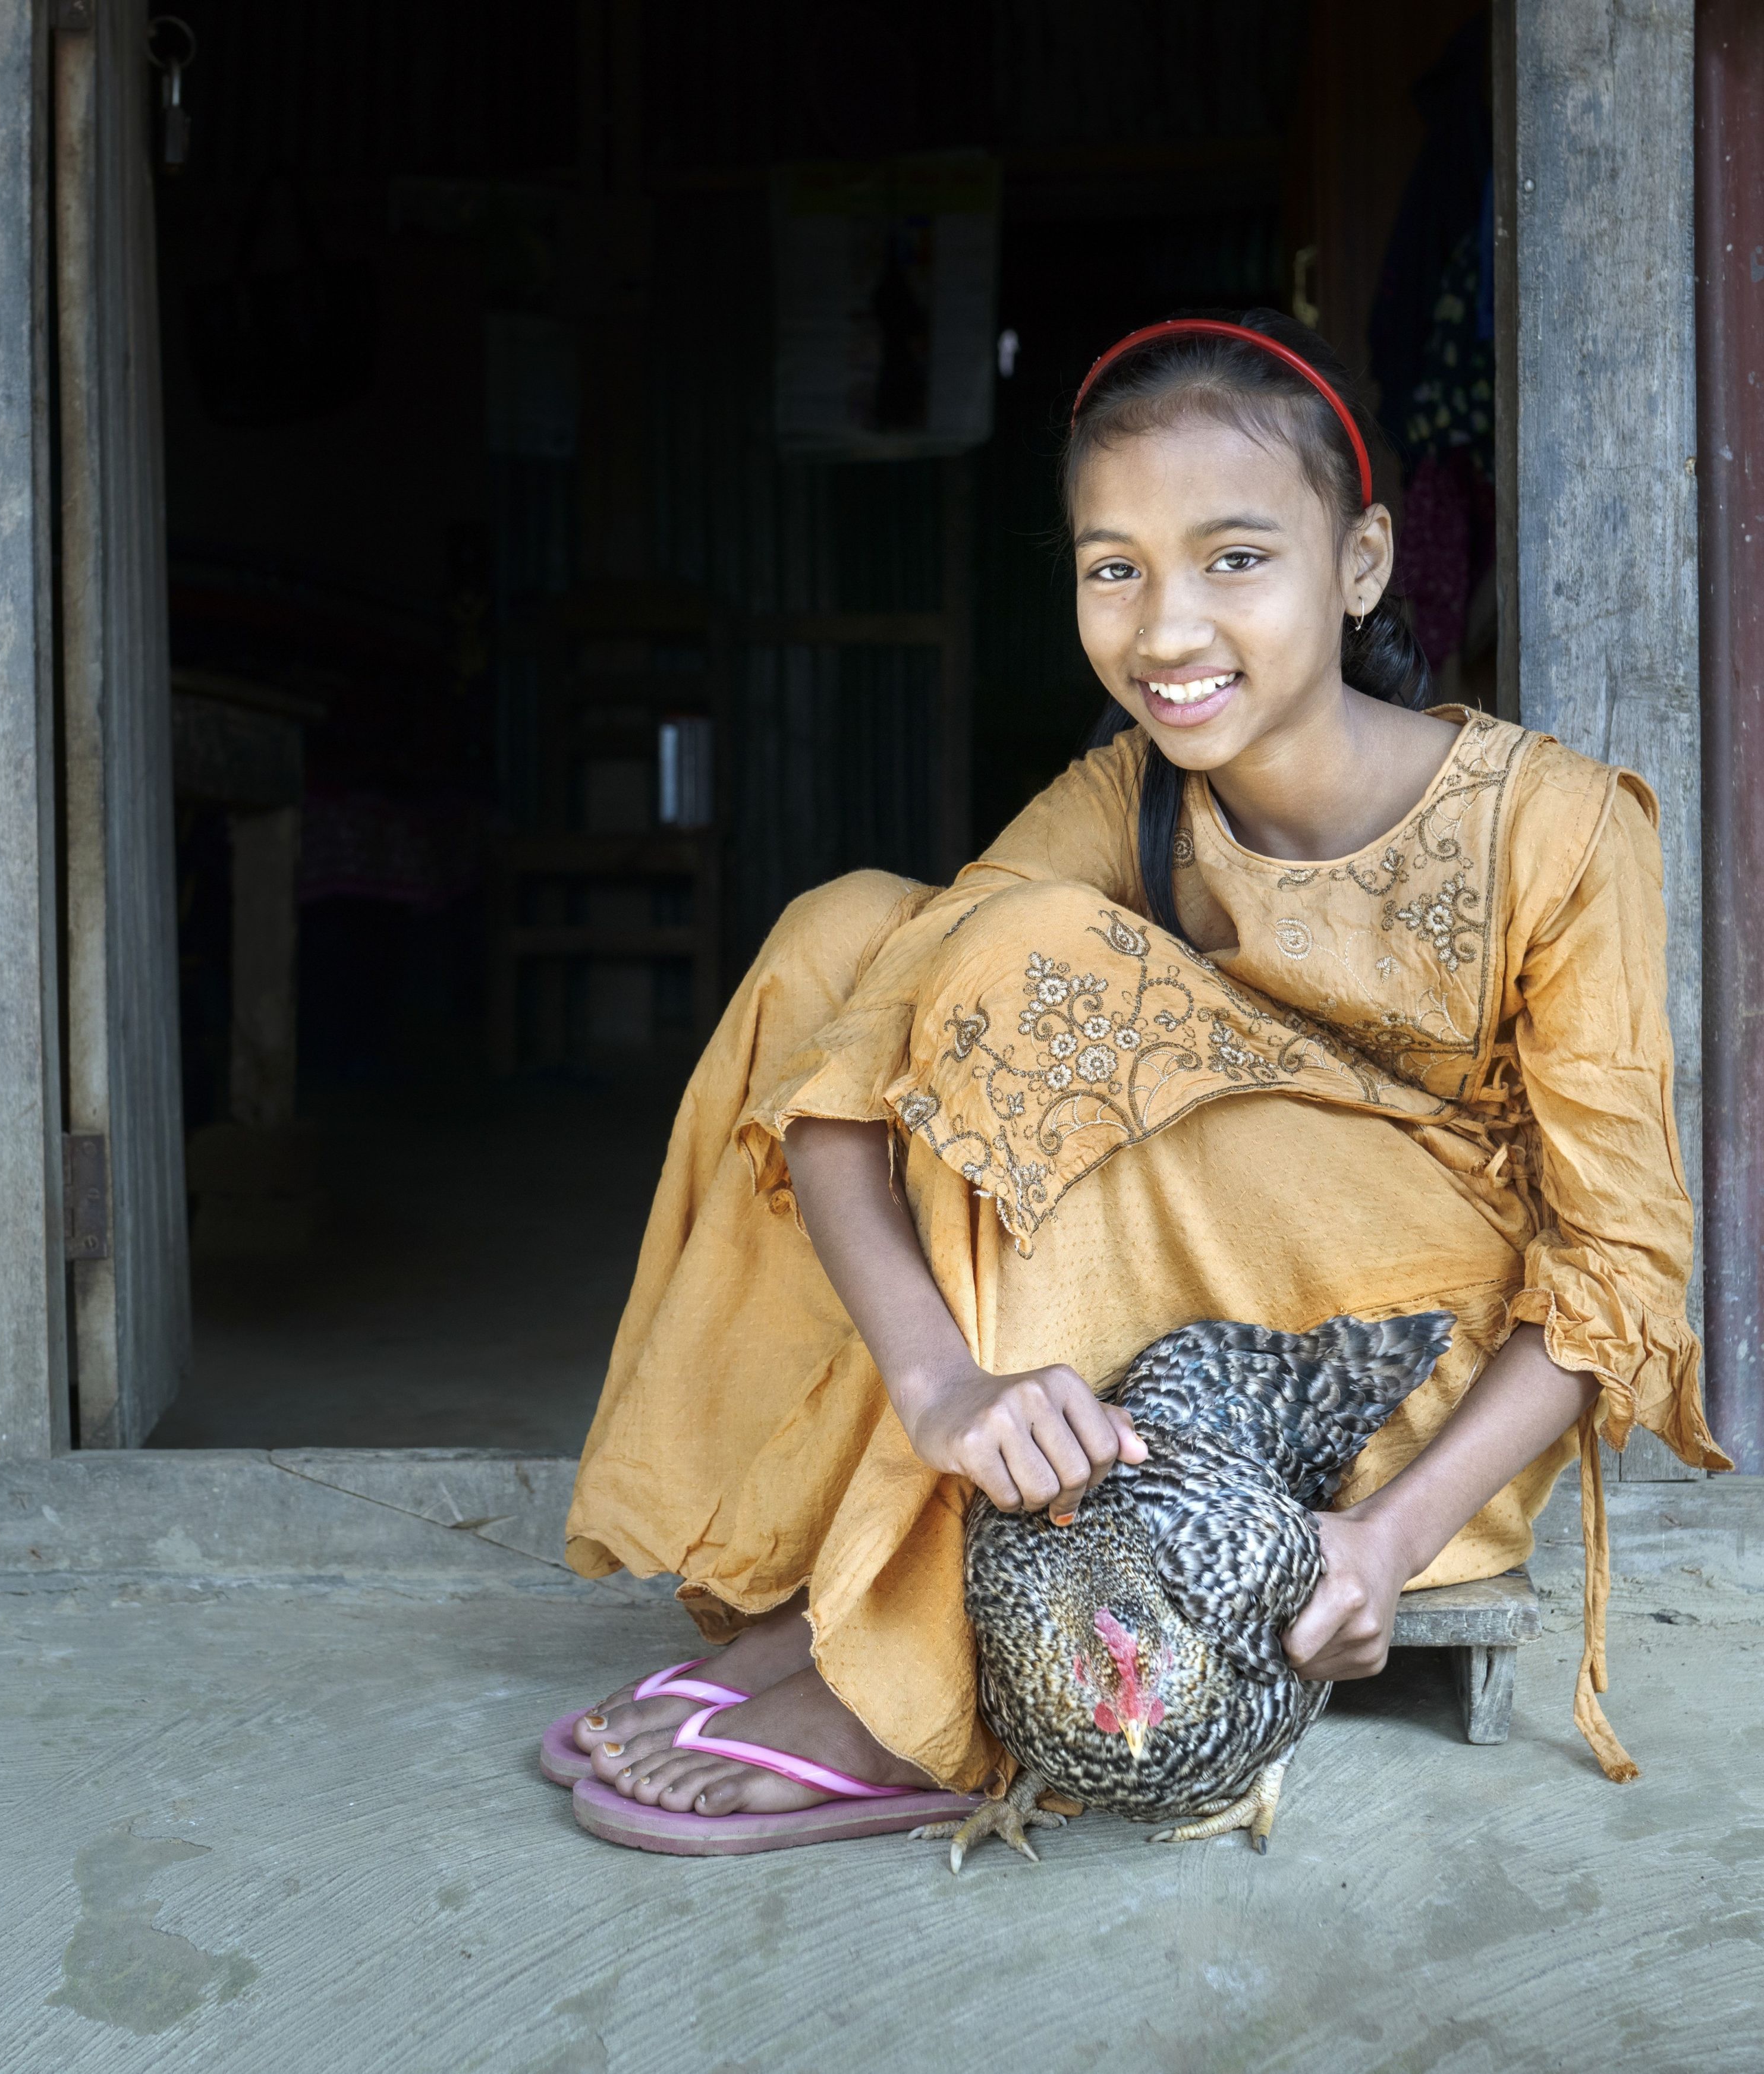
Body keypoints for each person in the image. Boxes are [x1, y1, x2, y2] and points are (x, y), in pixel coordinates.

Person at [554, 311, 1728, 1853]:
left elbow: (1624, 1269)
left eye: (1236, 558)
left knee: (1040, 966)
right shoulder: (1137, 789)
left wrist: (1387, 1538)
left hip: (1390, 1396)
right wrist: (942, 1389)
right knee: (845, 934)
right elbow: (856, 1053)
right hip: (1175, 1355)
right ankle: (865, 1574)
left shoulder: (1562, 830)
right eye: (1116, 568)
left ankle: (910, 1692)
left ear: (1361, 562)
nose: (1167, 628)